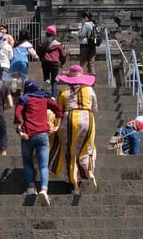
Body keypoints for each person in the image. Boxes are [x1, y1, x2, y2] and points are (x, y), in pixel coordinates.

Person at [50, 65, 98, 195]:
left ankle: (75, 185)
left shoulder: (64, 92)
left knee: (71, 153)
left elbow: (58, 111)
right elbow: (95, 108)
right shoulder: (89, 90)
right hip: (88, 118)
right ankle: (89, 171)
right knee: (87, 148)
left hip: (70, 119)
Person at [14, 79, 63, 205]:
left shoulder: (24, 99)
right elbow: (58, 109)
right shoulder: (44, 99)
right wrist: (57, 126)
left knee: (27, 163)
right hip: (42, 135)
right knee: (43, 165)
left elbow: (17, 113)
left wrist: (20, 130)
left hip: (28, 135)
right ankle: (44, 190)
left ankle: (31, 187)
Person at [37, 25, 66, 97]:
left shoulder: (43, 44)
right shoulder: (58, 45)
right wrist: (61, 63)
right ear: (54, 35)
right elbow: (63, 55)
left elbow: (39, 51)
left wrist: (41, 58)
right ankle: (53, 96)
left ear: (46, 34)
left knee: (46, 78)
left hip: (45, 61)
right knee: (54, 80)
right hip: (55, 63)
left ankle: (45, 92)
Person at [8, 29, 39, 94]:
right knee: (23, 78)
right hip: (23, 62)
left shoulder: (16, 44)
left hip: (14, 61)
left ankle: (14, 80)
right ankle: (22, 92)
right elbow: (33, 54)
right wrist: (36, 57)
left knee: (15, 76)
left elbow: (11, 52)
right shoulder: (28, 45)